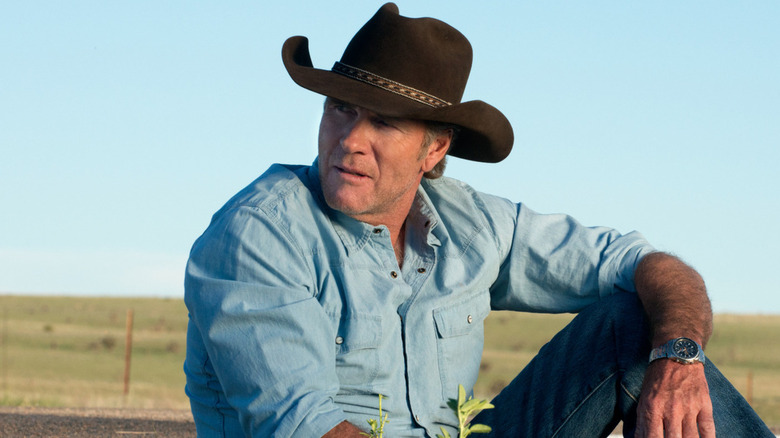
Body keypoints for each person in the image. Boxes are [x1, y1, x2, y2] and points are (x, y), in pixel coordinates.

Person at [183, 4, 773, 437]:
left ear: (434, 150)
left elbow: (643, 263)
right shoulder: (258, 234)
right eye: (341, 108)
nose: (351, 140)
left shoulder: (473, 223)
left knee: (633, 325)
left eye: (383, 123)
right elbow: (303, 427)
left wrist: (681, 354)